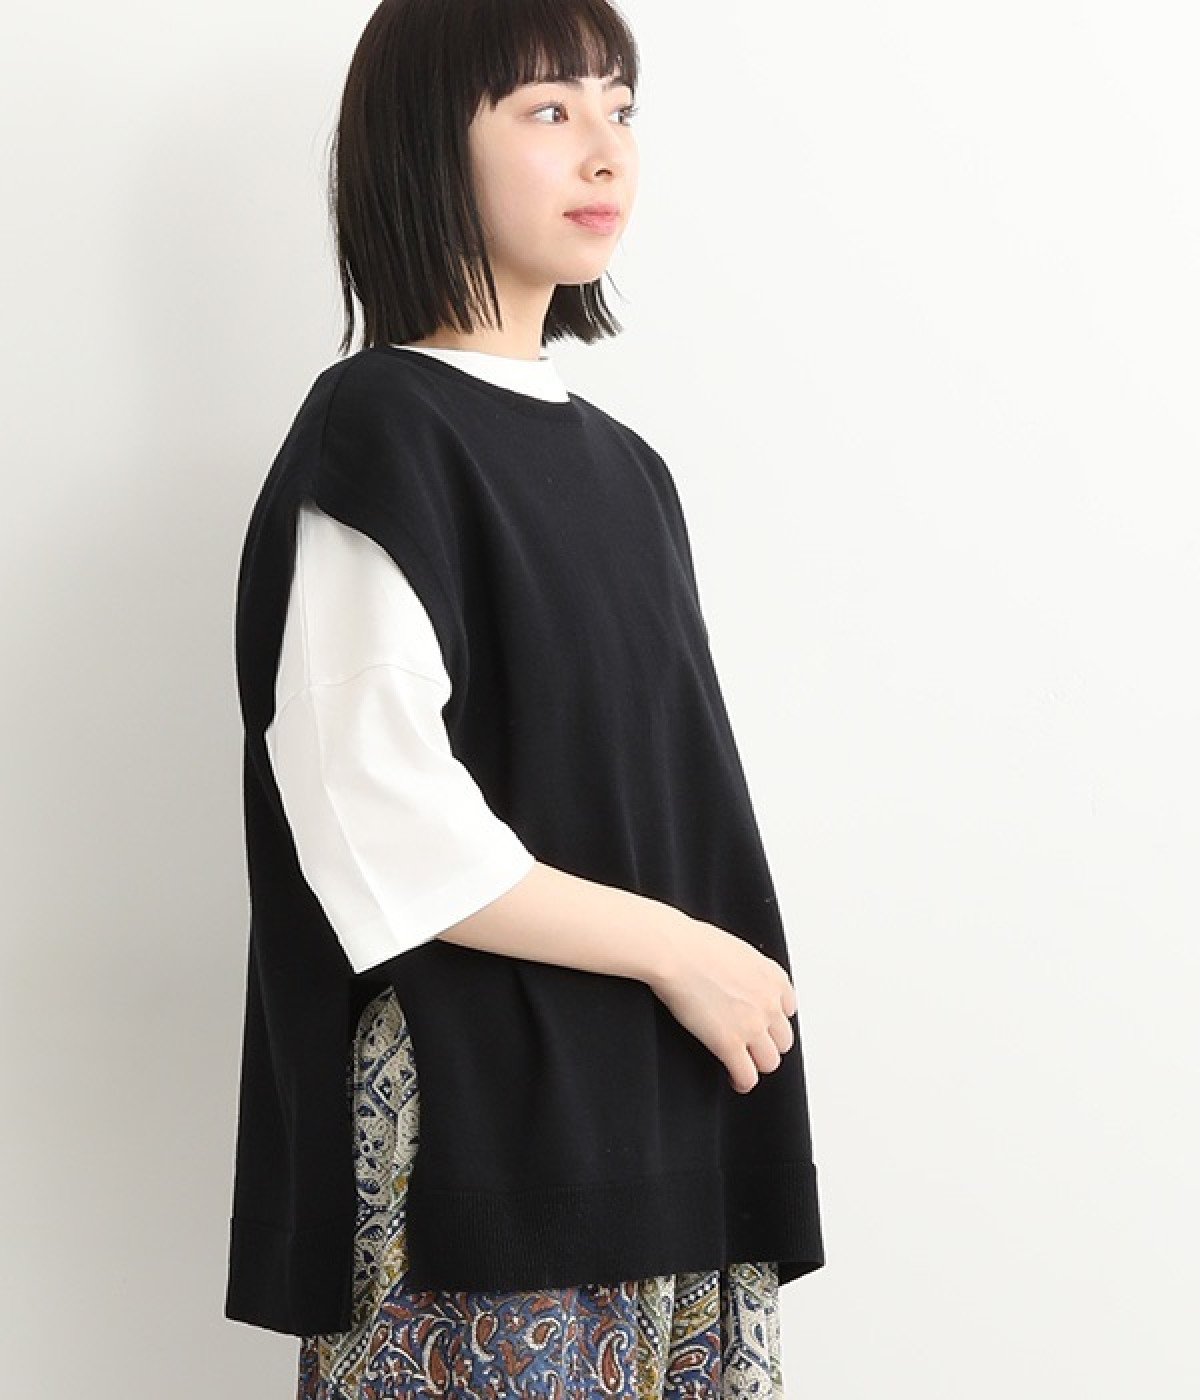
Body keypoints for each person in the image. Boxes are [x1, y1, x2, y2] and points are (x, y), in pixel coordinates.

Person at [223, 0, 825, 1394]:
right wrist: (678, 949)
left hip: (662, 1129)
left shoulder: (629, 469)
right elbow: (375, 815)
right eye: (549, 109)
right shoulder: (383, 427)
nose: (605, 150)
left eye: (621, 107)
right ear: (430, 144)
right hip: (489, 1147)